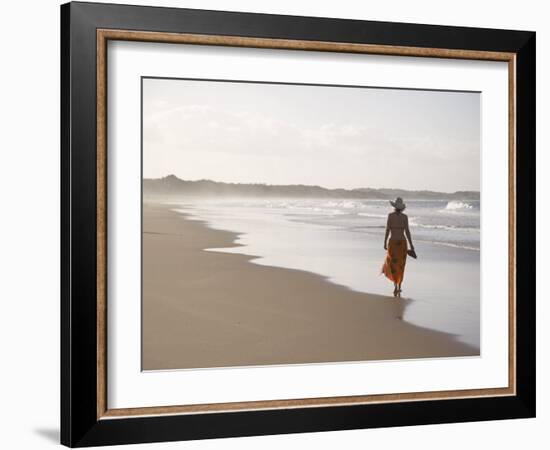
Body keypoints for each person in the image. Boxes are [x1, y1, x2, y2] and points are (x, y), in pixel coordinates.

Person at [381, 197, 414, 297]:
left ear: (394, 207)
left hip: (393, 243)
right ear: (402, 208)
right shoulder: (405, 217)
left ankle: (395, 285)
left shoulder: (390, 216)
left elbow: (387, 230)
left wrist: (385, 242)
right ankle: (399, 286)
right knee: (401, 265)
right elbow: (407, 232)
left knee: (393, 265)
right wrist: (411, 245)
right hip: (402, 243)